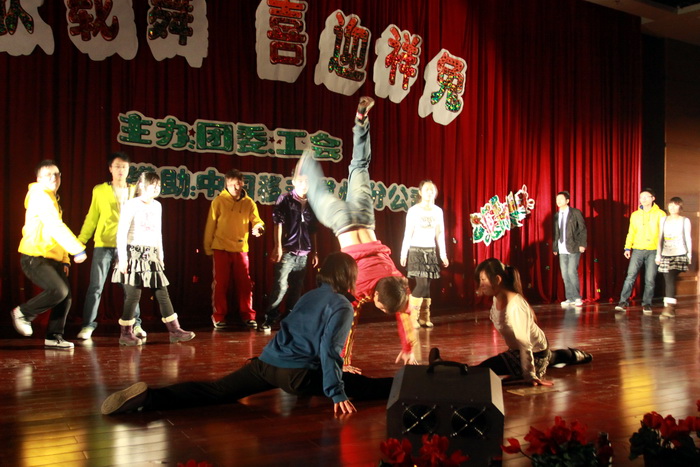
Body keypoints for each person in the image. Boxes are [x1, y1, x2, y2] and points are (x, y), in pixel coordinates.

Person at [101, 252, 394, 416]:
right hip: (297, 377)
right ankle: (409, 384)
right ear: (348, 276)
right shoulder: (342, 305)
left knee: (215, 391)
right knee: (369, 387)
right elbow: (328, 349)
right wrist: (337, 391)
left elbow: (295, 332)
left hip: (267, 364)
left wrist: (334, 368)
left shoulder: (309, 295)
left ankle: (150, 398)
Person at [297, 96, 417, 367]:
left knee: (360, 166)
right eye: (383, 307)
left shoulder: (399, 281)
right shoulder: (360, 288)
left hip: (365, 217)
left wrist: (409, 347)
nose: (383, 311)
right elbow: (346, 324)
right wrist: (344, 361)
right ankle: (308, 165)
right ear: (376, 296)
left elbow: (405, 312)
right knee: (317, 193)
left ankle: (361, 119)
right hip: (341, 222)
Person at [429, 258, 592, 386]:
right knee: (552, 357)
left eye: (483, 280)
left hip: (532, 352)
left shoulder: (516, 306)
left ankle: (443, 368)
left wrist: (529, 375)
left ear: (497, 279)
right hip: (523, 350)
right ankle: (576, 355)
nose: (481, 284)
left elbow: (524, 343)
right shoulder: (497, 298)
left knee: (482, 371)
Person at [111, 172, 195, 346]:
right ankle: (126, 333)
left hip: (151, 254)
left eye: (158, 185)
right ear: (142, 185)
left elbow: (158, 233)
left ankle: (175, 330)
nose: (157, 188)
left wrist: (160, 256)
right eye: (153, 184)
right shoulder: (131, 204)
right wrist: (123, 258)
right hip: (133, 253)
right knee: (133, 295)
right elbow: (121, 233)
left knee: (162, 291)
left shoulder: (157, 206)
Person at [11, 160, 87, 349]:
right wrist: (76, 249)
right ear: (39, 179)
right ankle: (23, 313)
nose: (54, 178)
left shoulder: (52, 198)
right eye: (48, 175)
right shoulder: (39, 195)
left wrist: (65, 260)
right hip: (34, 256)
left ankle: (54, 336)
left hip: (52, 258)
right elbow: (55, 226)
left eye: (57, 174)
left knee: (66, 297)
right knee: (58, 291)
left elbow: (54, 233)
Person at [76, 152, 145, 340]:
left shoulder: (135, 191)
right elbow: (92, 217)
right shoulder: (100, 190)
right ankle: (88, 325)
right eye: (117, 166)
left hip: (128, 246)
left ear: (129, 169)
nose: (121, 170)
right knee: (95, 286)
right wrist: (80, 241)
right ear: (110, 169)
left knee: (130, 287)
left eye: (124, 167)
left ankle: (135, 324)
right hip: (104, 243)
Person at [203, 169, 264, 329]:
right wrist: (208, 248)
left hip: (240, 248)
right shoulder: (218, 201)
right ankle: (219, 316)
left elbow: (257, 221)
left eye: (238, 184)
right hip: (221, 248)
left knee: (245, 284)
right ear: (226, 185)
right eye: (232, 185)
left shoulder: (249, 203)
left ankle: (248, 316)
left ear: (242, 183)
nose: (235, 188)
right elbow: (210, 226)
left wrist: (259, 228)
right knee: (220, 284)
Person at [259, 171, 318, 331]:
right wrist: (278, 246)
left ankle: (290, 319)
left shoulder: (312, 203)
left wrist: (315, 251)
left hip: (304, 252)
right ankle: (269, 318)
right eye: (301, 181)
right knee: (280, 286)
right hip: (287, 250)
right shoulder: (285, 199)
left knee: (296, 288)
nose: (304, 185)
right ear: (294, 182)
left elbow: (313, 229)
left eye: (307, 181)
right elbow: (278, 223)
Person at [400, 180, 449, 328]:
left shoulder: (438, 211)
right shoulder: (414, 210)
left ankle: (424, 317)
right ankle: (411, 317)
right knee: (421, 284)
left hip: (430, 250)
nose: (430, 192)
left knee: (427, 286)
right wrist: (403, 253)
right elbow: (408, 233)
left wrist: (443, 254)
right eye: (427, 189)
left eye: (432, 190)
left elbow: (440, 234)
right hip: (416, 250)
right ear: (420, 192)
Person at [615, 188, 666, 314]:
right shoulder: (635, 215)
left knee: (650, 279)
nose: (643, 199)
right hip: (637, 249)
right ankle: (623, 301)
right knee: (630, 276)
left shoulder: (660, 214)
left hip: (653, 250)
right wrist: (627, 247)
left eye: (646, 197)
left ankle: (647, 303)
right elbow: (631, 232)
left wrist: (661, 252)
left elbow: (663, 233)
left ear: (653, 198)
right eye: (641, 197)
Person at [656, 197, 692, 319]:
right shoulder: (663, 220)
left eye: (675, 205)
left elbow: (688, 238)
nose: (672, 207)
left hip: (679, 253)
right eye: (670, 205)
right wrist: (658, 254)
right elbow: (660, 238)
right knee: (668, 278)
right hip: (666, 253)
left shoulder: (684, 221)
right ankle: (670, 308)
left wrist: (689, 255)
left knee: (670, 276)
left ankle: (669, 307)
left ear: (680, 207)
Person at [552, 190, 587, 307]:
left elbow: (582, 229)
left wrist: (582, 244)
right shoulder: (557, 215)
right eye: (557, 199)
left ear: (567, 201)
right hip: (561, 247)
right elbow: (556, 232)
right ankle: (570, 297)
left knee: (572, 272)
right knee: (564, 274)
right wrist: (555, 247)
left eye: (561, 199)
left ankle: (577, 297)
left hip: (574, 246)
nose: (558, 201)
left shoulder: (575, 212)